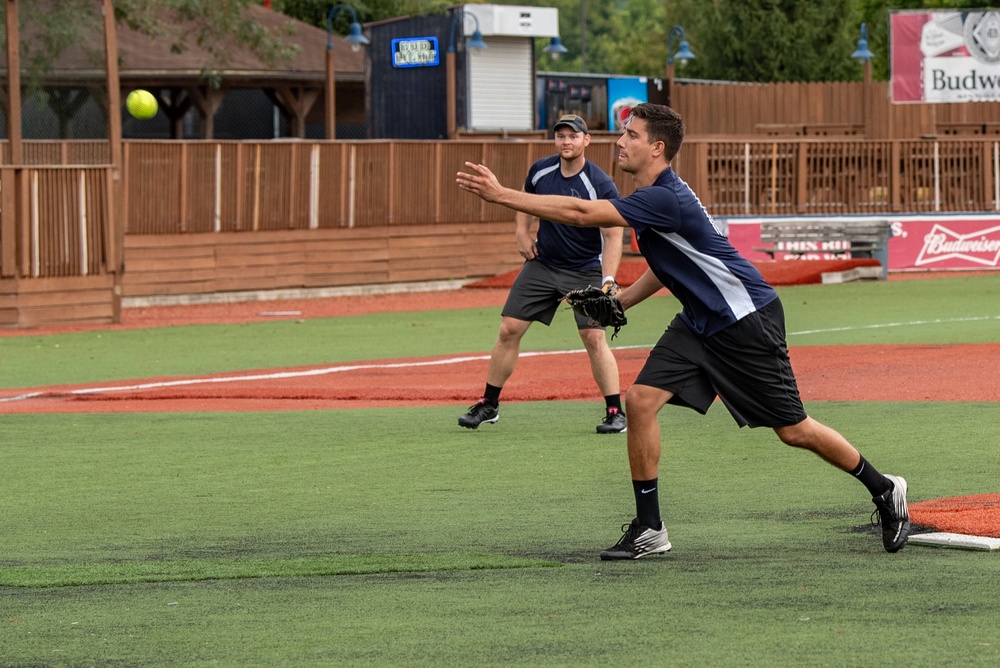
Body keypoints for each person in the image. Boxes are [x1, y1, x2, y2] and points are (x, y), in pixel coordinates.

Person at [456, 103, 910, 558]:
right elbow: (666, 263)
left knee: (793, 430)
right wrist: (622, 301)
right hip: (698, 320)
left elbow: (578, 212)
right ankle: (650, 528)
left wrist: (502, 196)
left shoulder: (662, 198)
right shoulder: (656, 195)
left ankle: (884, 487)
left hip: (744, 321)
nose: (620, 142)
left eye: (631, 135)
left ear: (657, 147)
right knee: (639, 401)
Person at [458, 114, 628, 435]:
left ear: (586, 141)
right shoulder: (541, 170)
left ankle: (614, 411)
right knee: (509, 329)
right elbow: (524, 200)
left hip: (585, 269)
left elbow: (613, 234)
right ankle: (489, 405)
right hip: (543, 264)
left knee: (593, 337)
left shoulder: (600, 184)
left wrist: (608, 279)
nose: (566, 141)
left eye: (573, 136)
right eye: (561, 135)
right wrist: (521, 232)